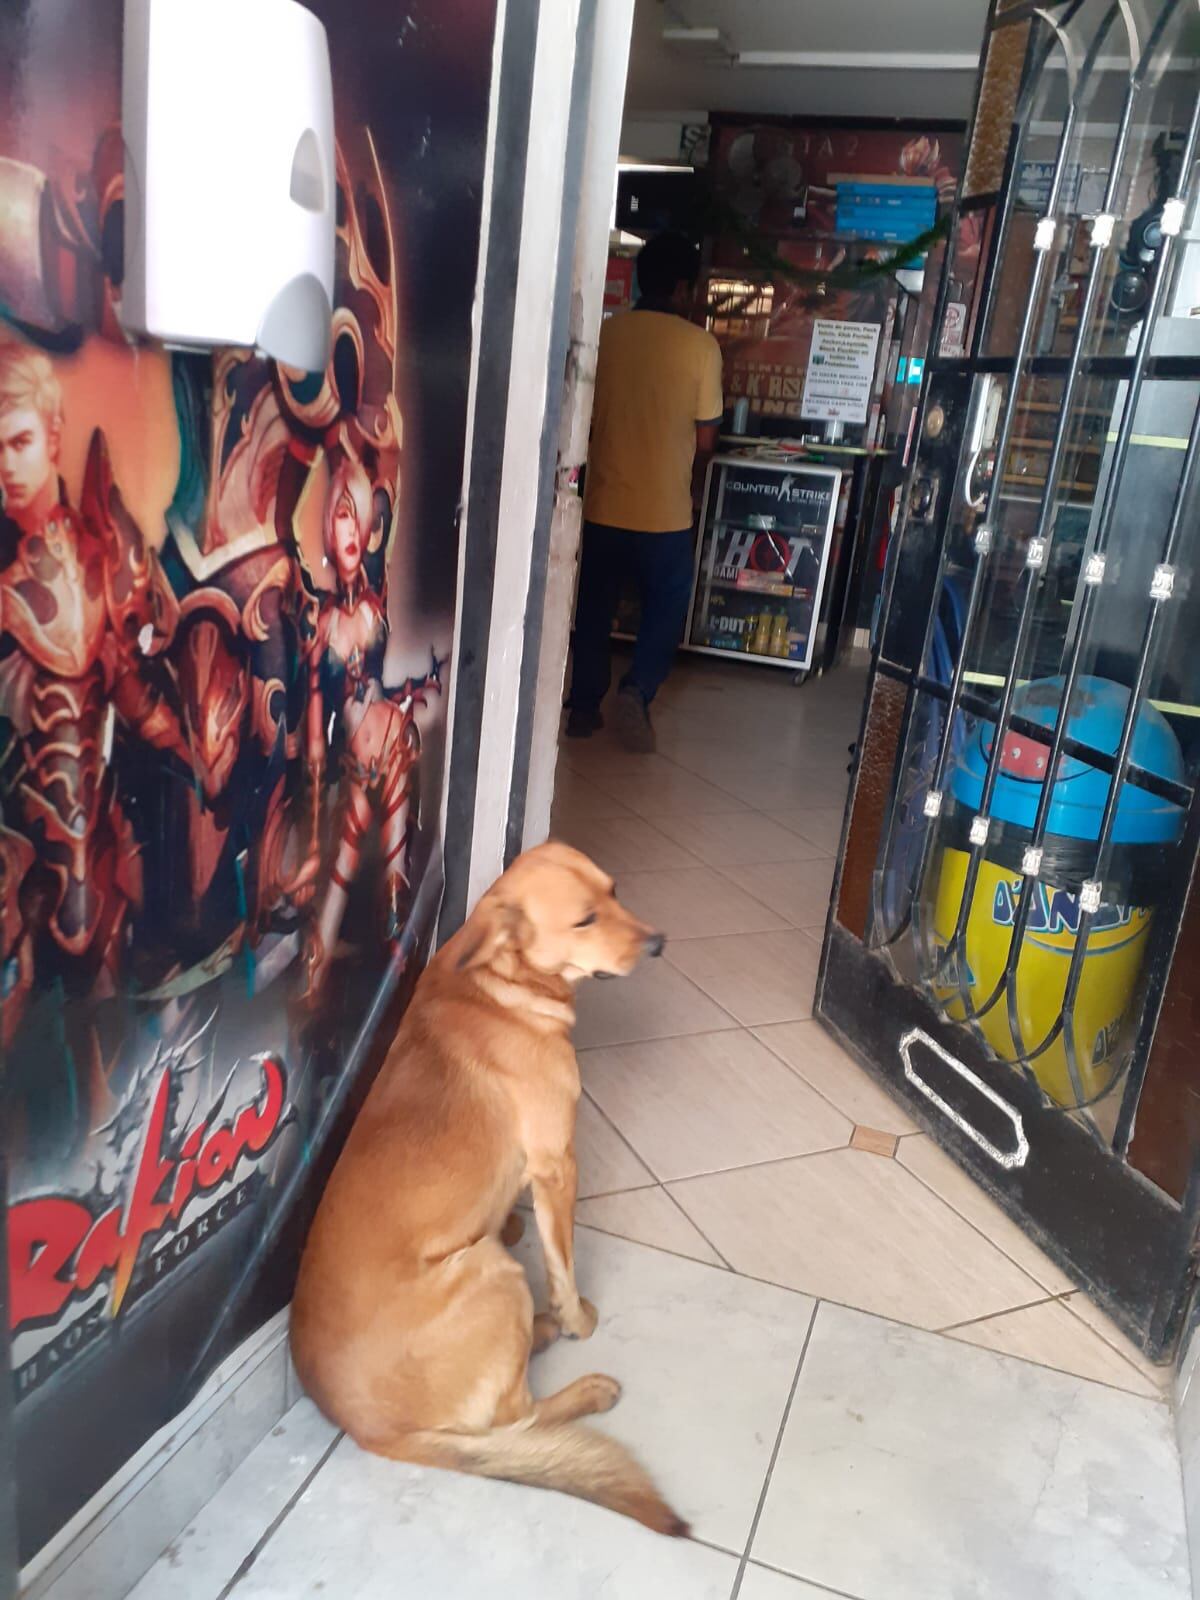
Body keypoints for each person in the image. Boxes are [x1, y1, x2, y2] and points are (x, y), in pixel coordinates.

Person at [566, 232, 723, 752]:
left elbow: (579, 416)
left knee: (593, 605)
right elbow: (706, 438)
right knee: (667, 602)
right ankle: (637, 689)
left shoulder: (606, 336)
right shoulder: (701, 347)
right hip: (666, 511)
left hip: (604, 502)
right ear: (681, 288)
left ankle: (584, 706)